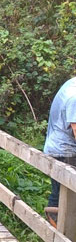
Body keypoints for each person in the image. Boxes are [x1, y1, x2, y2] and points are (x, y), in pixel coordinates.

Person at [43, 76, 76, 228]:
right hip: (65, 152)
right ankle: (58, 240)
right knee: (65, 197)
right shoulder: (74, 96)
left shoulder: (71, 83)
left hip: (59, 148)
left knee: (60, 194)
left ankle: (55, 239)